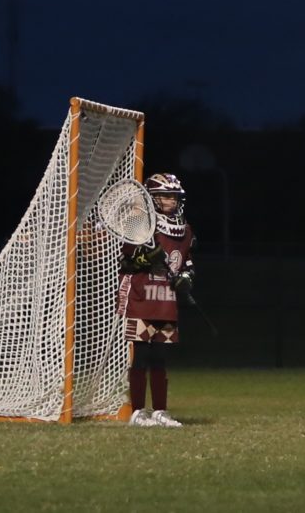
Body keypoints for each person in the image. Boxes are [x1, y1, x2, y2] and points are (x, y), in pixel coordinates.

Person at [120, 172, 196, 428]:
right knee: (141, 357)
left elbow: (187, 262)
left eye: (175, 196)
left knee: (161, 359)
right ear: (153, 199)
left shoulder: (185, 230)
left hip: (166, 301)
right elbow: (126, 262)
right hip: (142, 299)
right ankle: (137, 412)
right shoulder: (140, 225)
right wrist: (145, 258)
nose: (172, 201)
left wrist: (185, 278)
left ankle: (160, 412)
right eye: (166, 196)